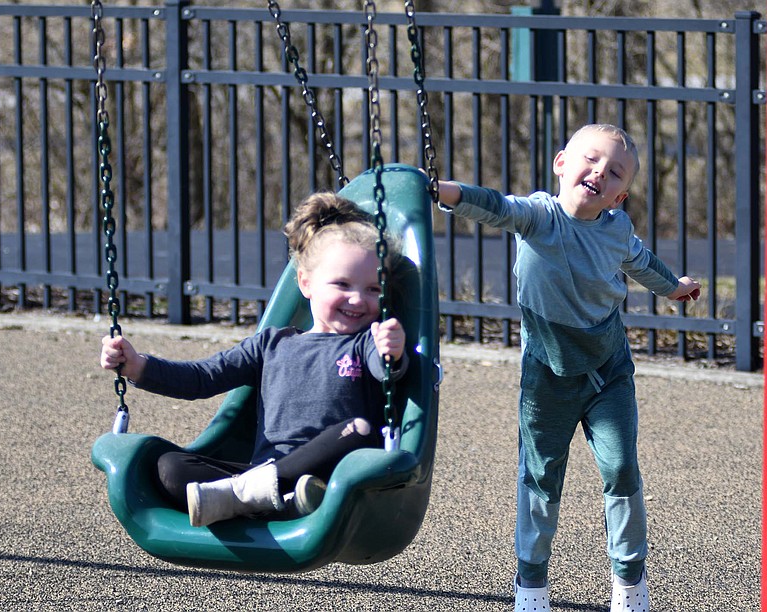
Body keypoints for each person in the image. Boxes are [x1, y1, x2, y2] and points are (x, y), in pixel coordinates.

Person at [433, 124, 701, 612]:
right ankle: (532, 585)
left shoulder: (616, 230)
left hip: (606, 371)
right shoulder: (539, 216)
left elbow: (643, 263)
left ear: (619, 196)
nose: (599, 171)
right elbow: (494, 205)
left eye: (614, 171)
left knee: (621, 468)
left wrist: (676, 287)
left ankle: (629, 581)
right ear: (561, 163)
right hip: (547, 377)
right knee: (540, 478)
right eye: (591, 159)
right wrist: (442, 191)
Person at [99, 192, 408, 527]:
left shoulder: (366, 343)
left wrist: (392, 350)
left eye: (374, 290)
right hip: (261, 473)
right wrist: (137, 366)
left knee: (361, 430)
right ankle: (267, 499)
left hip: (333, 477)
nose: (357, 298)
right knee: (169, 468)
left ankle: (253, 498)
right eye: (342, 284)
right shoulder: (272, 344)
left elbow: (387, 369)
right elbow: (203, 376)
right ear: (306, 283)